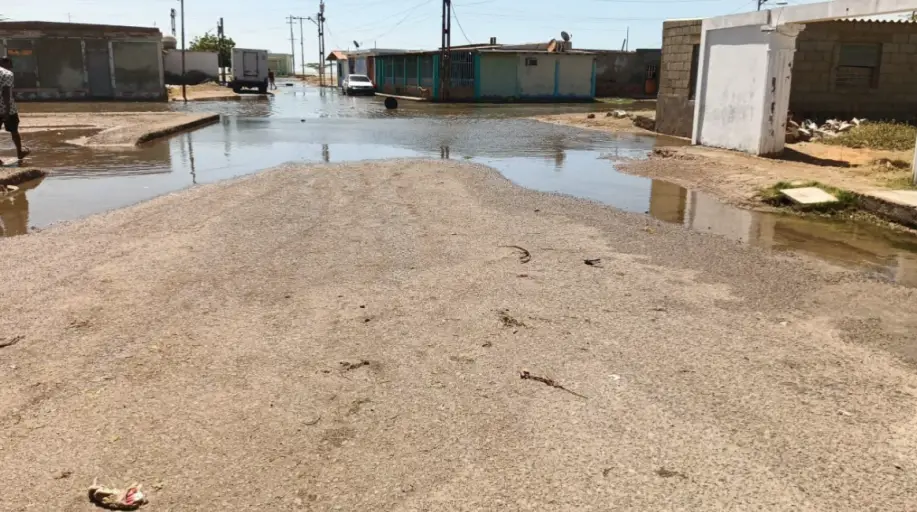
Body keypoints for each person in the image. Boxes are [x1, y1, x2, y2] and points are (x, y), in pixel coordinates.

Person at [0, 57, 29, 164]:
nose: (11, 66)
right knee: (14, 131)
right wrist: (6, 111)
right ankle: (20, 152)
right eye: (10, 64)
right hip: (6, 108)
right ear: (5, 63)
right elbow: (6, 92)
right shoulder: (7, 74)